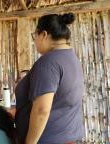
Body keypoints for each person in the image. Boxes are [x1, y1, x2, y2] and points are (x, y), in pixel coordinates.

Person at [15, 13, 84, 143]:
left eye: (34, 36)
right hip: (66, 136)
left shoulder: (48, 62)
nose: (34, 40)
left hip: (47, 139)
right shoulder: (72, 58)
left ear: (44, 35)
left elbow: (42, 110)